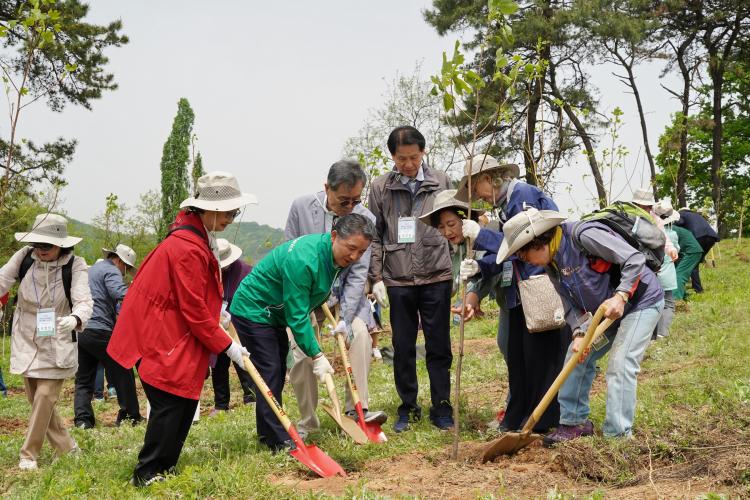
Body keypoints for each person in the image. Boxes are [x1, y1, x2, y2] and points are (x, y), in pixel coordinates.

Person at [107, 172, 257, 486]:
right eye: (229, 211)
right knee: (169, 401)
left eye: (235, 211)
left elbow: (197, 302)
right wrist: (227, 346)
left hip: (174, 330)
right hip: (162, 333)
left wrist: (219, 320)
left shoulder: (196, 239)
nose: (232, 217)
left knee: (186, 401)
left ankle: (165, 465)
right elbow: (193, 310)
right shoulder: (187, 248)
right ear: (208, 210)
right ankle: (146, 471)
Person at [494, 208, 664, 443]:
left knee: (620, 363)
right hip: (606, 312)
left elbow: (634, 258)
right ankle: (574, 424)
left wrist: (622, 295)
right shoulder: (551, 264)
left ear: (536, 243)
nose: (525, 261)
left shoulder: (584, 236)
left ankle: (618, 437)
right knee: (575, 359)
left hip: (640, 302)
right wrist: (578, 332)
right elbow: (569, 304)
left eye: (523, 256)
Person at [230, 214, 375, 451]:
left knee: (274, 368)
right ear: (334, 236)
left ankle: (268, 434)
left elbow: (311, 295)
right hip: (254, 309)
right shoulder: (304, 259)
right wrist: (317, 355)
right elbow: (297, 317)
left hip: (275, 313)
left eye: (361, 252)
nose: (354, 256)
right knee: (271, 371)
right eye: (351, 249)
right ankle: (278, 439)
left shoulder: (332, 257)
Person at [455, 154, 565, 432]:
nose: (478, 198)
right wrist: (479, 265)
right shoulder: (505, 206)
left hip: (538, 287)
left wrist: (481, 235)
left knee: (539, 359)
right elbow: (508, 255)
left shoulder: (523, 196)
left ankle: (542, 421)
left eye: (476, 189)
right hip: (518, 293)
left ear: (488, 180)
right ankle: (517, 417)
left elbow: (523, 243)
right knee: (518, 358)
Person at [284, 160, 386, 437]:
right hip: (304, 295)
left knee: (361, 336)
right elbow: (288, 254)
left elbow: (357, 274)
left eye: (356, 199)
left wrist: (347, 317)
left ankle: (357, 410)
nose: (350, 206)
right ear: (326, 188)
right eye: (344, 200)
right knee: (303, 351)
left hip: (343, 296)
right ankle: (308, 421)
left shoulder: (366, 218)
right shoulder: (301, 207)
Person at [368, 125, 454, 432]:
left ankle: (442, 406)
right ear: (392, 156)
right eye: (402, 158)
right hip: (398, 278)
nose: (408, 164)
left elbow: (453, 224)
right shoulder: (380, 188)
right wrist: (376, 276)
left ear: (423, 152)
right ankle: (408, 406)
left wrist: (464, 255)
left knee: (439, 345)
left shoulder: (440, 181)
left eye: (414, 157)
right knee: (402, 346)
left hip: (437, 274)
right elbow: (374, 235)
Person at [0, 213, 93, 470]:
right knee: (39, 401)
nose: (41, 250)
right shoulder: (23, 258)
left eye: (47, 246)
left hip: (59, 336)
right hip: (27, 335)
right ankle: (67, 448)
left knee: (44, 396)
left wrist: (76, 318)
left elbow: (84, 299)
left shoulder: (75, 265)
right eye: (37, 244)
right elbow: (2, 280)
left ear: (61, 244)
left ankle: (29, 454)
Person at [74, 244, 142, 429]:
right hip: (100, 329)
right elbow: (119, 292)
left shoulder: (92, 269)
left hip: (82, 328)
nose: (125, 272)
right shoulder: (112, 271)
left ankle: (83, 420)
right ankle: (130, 416)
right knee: (124, 368)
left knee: (84, 378)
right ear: (119, 260)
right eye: (126, 268)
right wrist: (141, 297)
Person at [209, 238, 256, 415]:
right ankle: (221, 404)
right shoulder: (209, 272)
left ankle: (251, 397)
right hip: (217, 323)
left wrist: (234, 316)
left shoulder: (245, 272)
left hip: (240, 322)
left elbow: (251, 299)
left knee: (242, 357)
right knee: (219, 364)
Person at [652, 199, 681, 338]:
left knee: (652, 304)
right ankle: (662, 334)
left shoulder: (649, 233)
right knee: (668, 303)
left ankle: (651, 334)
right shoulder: (672, 234)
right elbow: (677, 250)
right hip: (667, 274)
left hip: (652, 274)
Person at [676, 207, 720, 293]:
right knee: (695, 262)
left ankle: (698, 289)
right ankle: (694, 284)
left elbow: (680, 222)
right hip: (711, 237)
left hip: (698, 236)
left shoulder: (682, 214)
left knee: (693, 263)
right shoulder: (696, 215)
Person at [671, 220, 704, 302]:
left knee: (679, 274)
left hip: (691, 251)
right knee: (676, 272)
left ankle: (677, 300)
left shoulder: (668, 229)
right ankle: (683, 295)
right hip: (686, 251)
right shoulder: (670, 228)